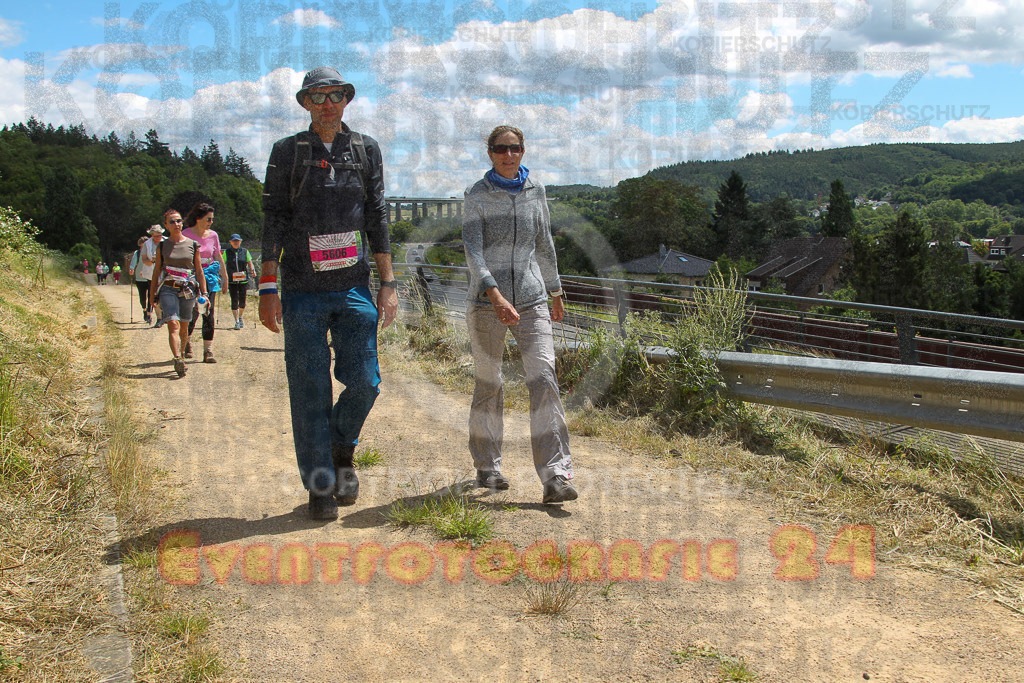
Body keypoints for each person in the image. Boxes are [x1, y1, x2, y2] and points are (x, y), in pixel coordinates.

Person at [260, 66, 397, 520]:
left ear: (347, 100)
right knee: (309, 387)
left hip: (354, 285)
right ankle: (320, 484)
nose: (327, 103)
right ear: (304, 103)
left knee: (366, 382)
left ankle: (342, 450)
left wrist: (388, 284)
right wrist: (266, 286)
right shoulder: (287, 152)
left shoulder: (365, 150)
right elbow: (274, 218)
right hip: (301, 290)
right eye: (317, 96)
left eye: (335, 95)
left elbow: (377, 215)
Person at [462, 125, 577, 505]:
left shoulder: (535, 192)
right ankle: (488, 465)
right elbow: (473, 252)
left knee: (543, 376)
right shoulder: (477, 196)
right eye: (500, 149)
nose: (507, 155)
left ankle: (556, 475)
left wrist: (555, 290)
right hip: (486, 305)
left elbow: (543, 244)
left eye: (514, 148)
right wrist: (493, 293)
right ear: (490, 153)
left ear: (523, 151)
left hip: (530, 299)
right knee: (490, 383)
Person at [149, 209, 207, 378]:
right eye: (172, 222)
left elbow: (199, 270)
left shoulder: (193, 245)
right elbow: (156, 272)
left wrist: (204, 292)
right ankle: (177, 358)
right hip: (168, 288)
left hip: (188, 289)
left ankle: (181, 355)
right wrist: (152, 294)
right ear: (166, 225)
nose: (176, 224)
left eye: (179, 221)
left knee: (184, 325)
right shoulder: (162, 246)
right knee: (173, 323)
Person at [182, 202, 227, 363]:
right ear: (199, 218)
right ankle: (185, 341)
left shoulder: (213, 235)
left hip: (209, 276)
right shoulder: (186, 234)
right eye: (208, 219)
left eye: (212, 219)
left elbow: (218, 256)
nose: (211, 222)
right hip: (191, 277)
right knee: (192, 312)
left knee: (208, 311)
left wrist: (225, 278)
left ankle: (208, 351)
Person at [132, 226, 165, 324]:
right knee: (154, 294)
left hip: (166, 273)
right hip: (152, 273)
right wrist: (152, 261)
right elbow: (144, 259)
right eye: (156, 236)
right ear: (152, 235)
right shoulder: (147, 244)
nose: (159, 237)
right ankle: (159, 318)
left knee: (165, 295)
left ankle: (165, 315)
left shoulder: (167, 241)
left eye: (160, 235)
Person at [224, 234, 257, 329]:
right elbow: (222, 263)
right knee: (234, 300)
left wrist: (253, 271)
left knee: (242, 302)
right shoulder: (227, 252)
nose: (235, 242)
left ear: (240, 241)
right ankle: (237, 321)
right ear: (230, 242)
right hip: (232, 280)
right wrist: (221, 275)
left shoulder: (245, 251)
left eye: (237, 241)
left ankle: (240, 316)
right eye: (234, 241)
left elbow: (250, 263)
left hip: (243, 280)